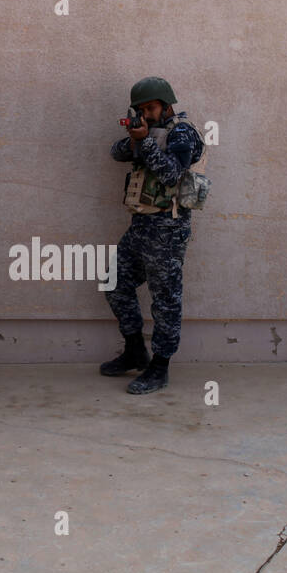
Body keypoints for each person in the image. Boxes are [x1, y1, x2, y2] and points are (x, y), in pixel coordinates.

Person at [101, 77, 205, 395]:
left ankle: (159, 367)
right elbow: (117, 153)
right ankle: (135, 350)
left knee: (166, 301)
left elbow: (173, 174)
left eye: (151, 107)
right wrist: (136, 138)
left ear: (166, 105)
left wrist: (144, 142)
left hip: (168, 228)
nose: (146, 113)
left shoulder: (182, 132)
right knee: (114, 283)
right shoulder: (148, 133)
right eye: (141, 109)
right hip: (141, 226)